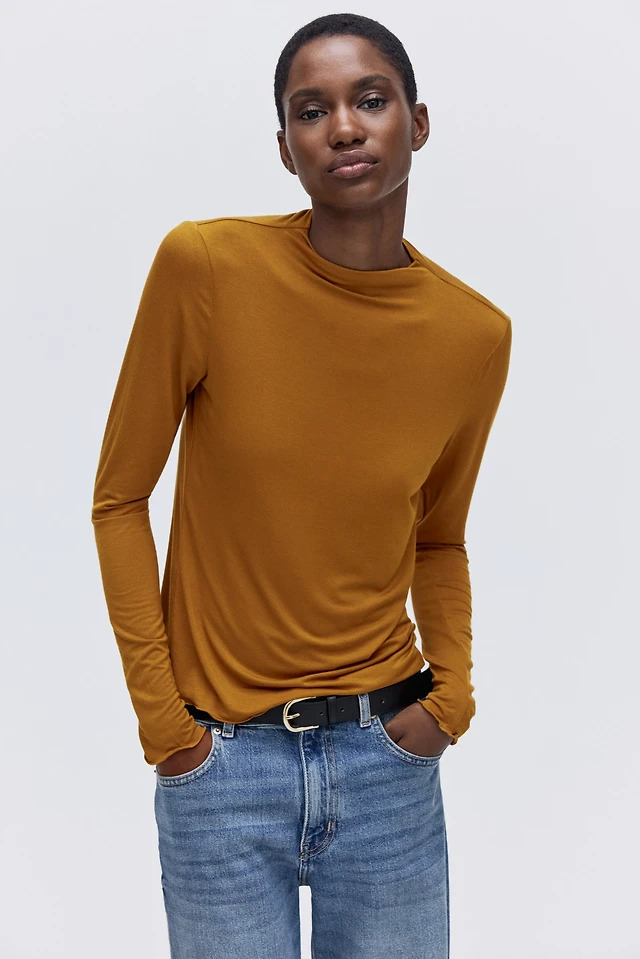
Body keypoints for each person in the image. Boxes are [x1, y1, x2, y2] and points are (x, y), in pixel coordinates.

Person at [91, 12, 512, 959]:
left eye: (372, 99)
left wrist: (448, 703)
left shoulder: (474, 335)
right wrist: (167, 727)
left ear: (418, 122)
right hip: (222, 767)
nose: (345, 127)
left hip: (388, 761)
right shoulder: (206, 268)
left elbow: (439, 536)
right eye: (311, 111)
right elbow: (118, 498)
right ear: (286, 149)